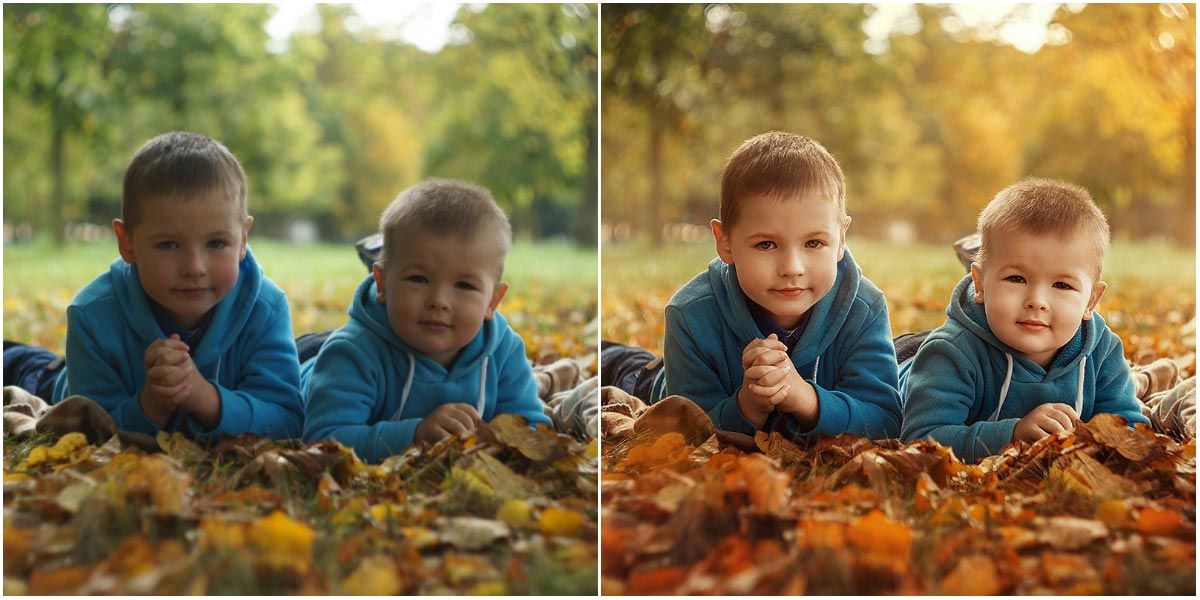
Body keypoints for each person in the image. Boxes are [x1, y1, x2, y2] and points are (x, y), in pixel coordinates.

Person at [2, 131, 304, 440]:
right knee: (26, 368)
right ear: (127, 243)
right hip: (55, 381)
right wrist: (150, 406)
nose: (194, 268)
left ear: (243, 240)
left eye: (216, 243)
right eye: (169, 245)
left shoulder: (265, 309)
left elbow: (288, 420)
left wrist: (207, 399)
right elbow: (90, 436)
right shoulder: (92, 316)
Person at [602, 131, 902, 440]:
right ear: (726, 242)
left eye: (814, 242)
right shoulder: (690, 315)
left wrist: (805, 399)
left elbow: (885, 419)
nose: (792, 268)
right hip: (654, 380)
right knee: (625, 369)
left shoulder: (863, 308)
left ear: (841, 239)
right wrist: (746, 406)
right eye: (767, 245)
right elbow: (687, 435)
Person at [900, 178, 1151, 462]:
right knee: (911, 354)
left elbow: (1128, 426)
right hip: (909, 362)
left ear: (1092, 300)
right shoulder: (950, 353)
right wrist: (1013, 435)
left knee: (1130, 387)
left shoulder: (1101, 350)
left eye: (1062, 285)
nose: (1037, 301)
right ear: (979, 284)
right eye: (1017, 278)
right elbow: (921, 438)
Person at [301, 179, 553, 463]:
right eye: (419, 279)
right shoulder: (352, 353)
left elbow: (530, 427)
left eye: (464, 285)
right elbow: (324, 439)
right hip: (311, 357)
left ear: (493, 301)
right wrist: (414, 436)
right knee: (314, 348)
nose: (439, 300)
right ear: (381, 284)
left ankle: (544, 380)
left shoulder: (503, 350)